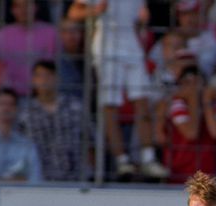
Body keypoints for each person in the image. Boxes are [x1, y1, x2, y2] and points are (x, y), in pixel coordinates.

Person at [68, 0, 169, 180]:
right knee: (110, 104)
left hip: (132, 47)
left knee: (142, 98)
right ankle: (121, 160)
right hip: (106, 49)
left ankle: (148, 158)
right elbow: (73, 13)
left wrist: (143, 19)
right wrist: (95, 10)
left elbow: (140, 17)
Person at [18, 60, 89, 182]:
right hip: (38, 179)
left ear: (57, 78)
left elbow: (90, 140)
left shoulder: (75, 107)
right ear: (33, 80)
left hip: (74, 179)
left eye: (49, 75)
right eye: (39, 76)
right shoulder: (24, 112)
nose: (44, 80)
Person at [0, 0, 59, 96]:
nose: (23, 10)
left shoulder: (51, 33)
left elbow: (58, 66)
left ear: (36, 7)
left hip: (43, 97)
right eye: (18, 6)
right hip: (11, 99)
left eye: (27, 5)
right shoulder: (1, 36)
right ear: (12, 10)